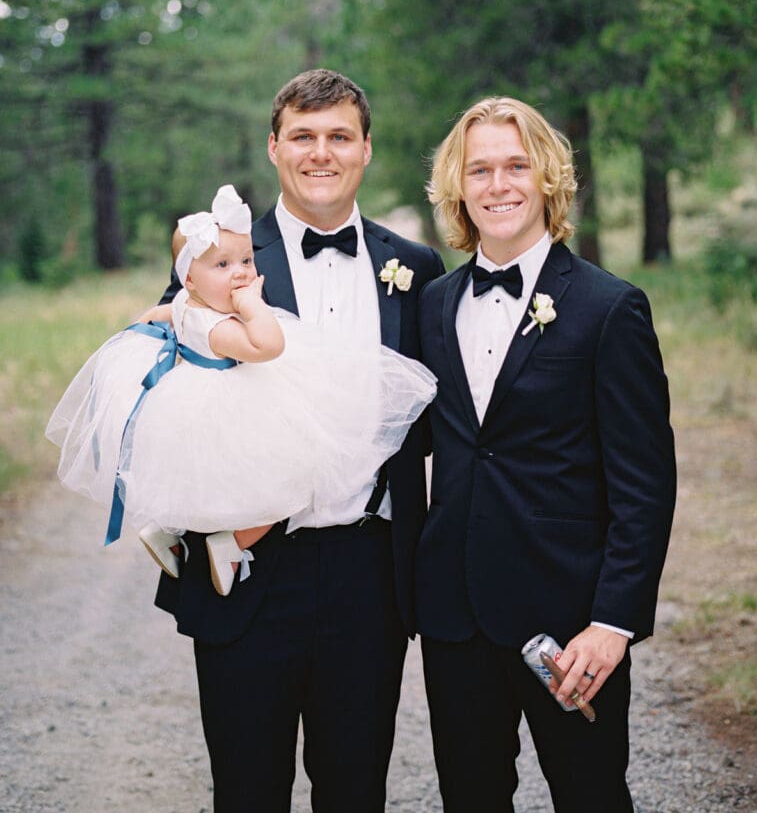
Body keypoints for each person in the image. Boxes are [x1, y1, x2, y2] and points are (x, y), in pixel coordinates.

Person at [154, 69, 445, 812]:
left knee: (355, 790)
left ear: (367, 150)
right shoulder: (222, 265)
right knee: (247, 791)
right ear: (274, 147)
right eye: (305, 137)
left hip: (369, 574)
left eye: (340, 137)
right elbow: (165, 388)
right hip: (249, 566)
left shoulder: (414, 270)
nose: (323, 153)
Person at [415, 96, 676, 813]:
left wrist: (613, 623)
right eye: (480, 171)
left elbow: (645, 484)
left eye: (515, 167)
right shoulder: (433, 307)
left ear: (548, 179)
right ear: (457, 187)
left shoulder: (607, 307)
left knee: (590, 795)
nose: (498, 185)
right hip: (456, 619)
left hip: (568, 625)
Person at [46, 185, 436, 601]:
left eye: (247, 261)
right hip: (233, 416)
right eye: (225, 264)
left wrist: (147, 324)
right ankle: (229, 544)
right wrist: (252, 305)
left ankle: (165, 529)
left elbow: (159, 315)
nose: (241, 271)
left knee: (202, 481)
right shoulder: (219, 319)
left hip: (369, 559)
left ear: (365, 147)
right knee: (285, 481)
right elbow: (267, 345)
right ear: (189, 278)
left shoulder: (416, 261)